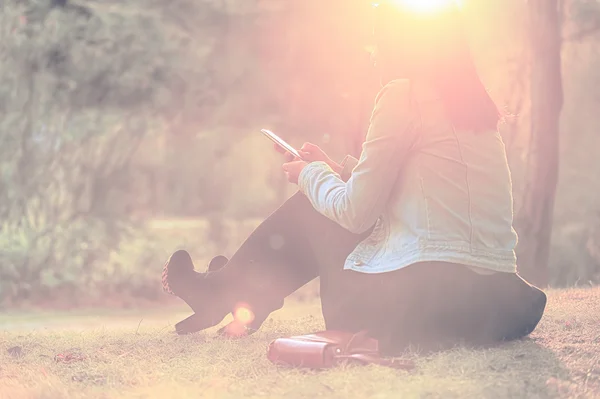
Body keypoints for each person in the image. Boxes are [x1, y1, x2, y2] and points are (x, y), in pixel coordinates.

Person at [161, 1, 547, 355]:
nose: (375, 53)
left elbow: (356, 213)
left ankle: (227, 293)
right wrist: (336, 170)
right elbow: (422, 196)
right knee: (321, 191)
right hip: (496, 300)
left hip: (421, 304)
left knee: (310, 207)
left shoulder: (404, 95)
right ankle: (241, 293)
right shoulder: (474, 109)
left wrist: (310, 175)